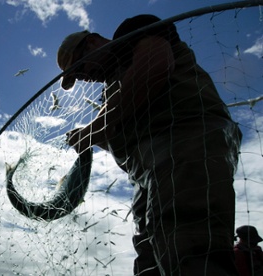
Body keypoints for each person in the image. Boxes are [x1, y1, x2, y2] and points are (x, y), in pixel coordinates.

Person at [58, 14, 242, 275]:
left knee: (189, 248)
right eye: (76, 76)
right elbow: (122, 130)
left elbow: (155, 67)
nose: (83, 77)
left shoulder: (132, 33)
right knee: (150, 261)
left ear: (92, 43)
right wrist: (93, 137)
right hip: (148, 174)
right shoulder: (111, 90)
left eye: (79, 68)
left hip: (184, 146)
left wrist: (95, 129)